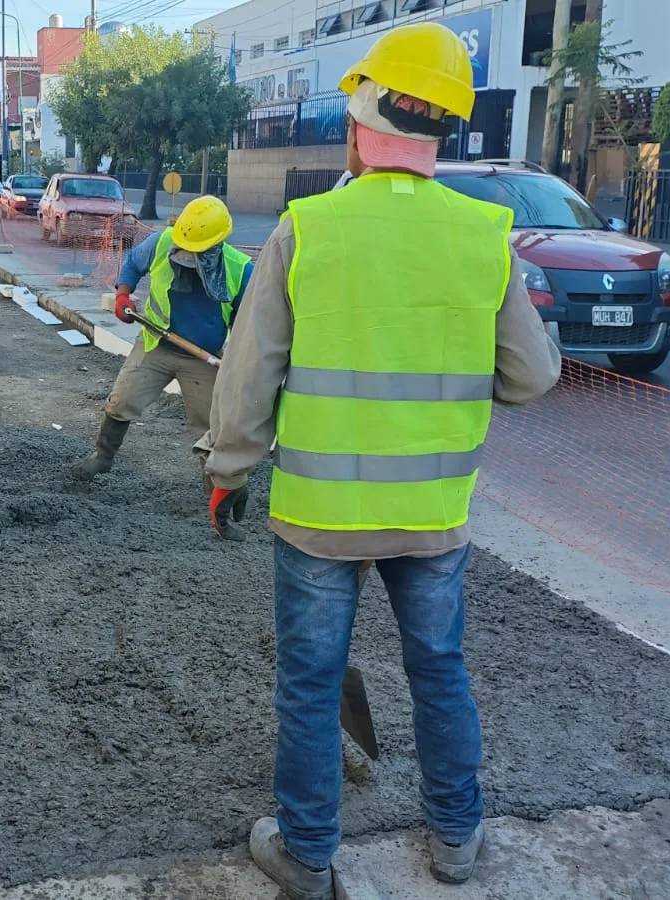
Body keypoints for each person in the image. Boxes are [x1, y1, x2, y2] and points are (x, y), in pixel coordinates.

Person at [202, 22, 561, 898]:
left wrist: (227, 471)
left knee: (312, 681)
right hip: (433, 517)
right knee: (439, 669)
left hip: (321, 516)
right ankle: (456, 840)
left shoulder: (308, 228)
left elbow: (250, 376)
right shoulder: (484, 234)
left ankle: (309, 853)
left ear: (362, 114)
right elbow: (533, 374)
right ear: (444, 130)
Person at [69, 195, 253, 492]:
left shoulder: (239, 269)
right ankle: (102, 456)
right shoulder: (162, 242)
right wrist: (122, 295)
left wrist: (238, 361)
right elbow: (133, 262)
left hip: (202, 357)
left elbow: (246, 324)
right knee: (122, 400)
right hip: (155, 343)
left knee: (209, 427)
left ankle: (216, 488)